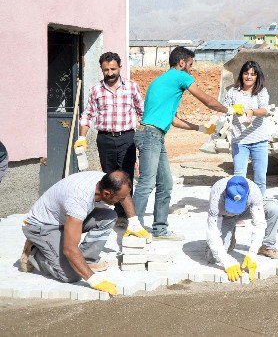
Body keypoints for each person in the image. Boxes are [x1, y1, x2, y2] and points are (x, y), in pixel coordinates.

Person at [134, 46, 228, 241]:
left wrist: (200, 129)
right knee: (146, 183)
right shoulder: (181, 76)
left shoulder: (160, 81)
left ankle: (159, 229)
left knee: (166, 183)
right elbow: (208, 101)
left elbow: (174, 120)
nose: (191, 70)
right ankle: (134, 227)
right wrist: (230, 110)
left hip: (154, 135)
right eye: (191, 65)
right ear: (182, 63)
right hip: (151, 135)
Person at [20, 170, 149, 296]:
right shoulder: (78, 200)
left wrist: (134, 223)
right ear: (107, 193)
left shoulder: (106, 180)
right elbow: (69, 249)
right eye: (119, 199)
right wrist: (94, 280)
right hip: (42, 226)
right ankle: (34, 252)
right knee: (70, 275)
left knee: (109, 217)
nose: (121, 200)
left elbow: (124, 194)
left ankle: (86, 259)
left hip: (65, 219)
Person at [75, 52, 144, 228]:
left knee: (126, 176)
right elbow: (88, 114)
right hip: (105, 139)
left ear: (120, 67)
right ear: (101, 69)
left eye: (113, 69)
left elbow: (142, 111)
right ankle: (113, 212)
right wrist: (82, 137)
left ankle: (126, 215)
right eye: (106, 70)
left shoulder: (131, 87)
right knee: (109, 177)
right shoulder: (96, 90)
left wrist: (146, 133)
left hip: (127, 138)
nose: (110, 73)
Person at [205, 175, 278, 282]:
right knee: (213, 258)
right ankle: (230, 234)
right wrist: (227, 263)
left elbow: (259, 224)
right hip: (226, 216)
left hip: (246, 210)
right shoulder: (217, 194)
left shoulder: (254, 190)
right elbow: (213, 232)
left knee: (274, 207)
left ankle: (266, 246)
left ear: (247, 194)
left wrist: (252, 253)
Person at [222, 61, 271, 195]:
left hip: (259, 141)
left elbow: (264, 110)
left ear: (257, 76)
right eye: (246, 73)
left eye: (252, 74)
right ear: (241, 75)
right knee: (239, 177)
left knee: (260, 178)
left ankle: (259, 206)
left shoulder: (261, 92)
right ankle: (239, 206)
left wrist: (252, 112)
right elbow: (224, 109)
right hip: (239, 141)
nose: (249, 77)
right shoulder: (233, 92)